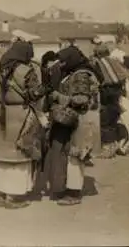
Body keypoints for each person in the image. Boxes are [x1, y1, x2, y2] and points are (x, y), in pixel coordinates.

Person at [0, 41, 48, 209]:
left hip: (0, 114)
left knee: (3, 156)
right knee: (18, 156)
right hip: (20, 115)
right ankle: (14, 197)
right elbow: (35, 95)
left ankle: (2, 191)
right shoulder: (27, 71)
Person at [45, 46, 101, 206]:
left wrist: (59, 97)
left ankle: (74, 193)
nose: (60, 64)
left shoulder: (81, 74)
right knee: (73, 155)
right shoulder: (77, 71)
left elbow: (81, 99)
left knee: (75, 156)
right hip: (80, 119)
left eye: (63, 61)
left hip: (82, 120)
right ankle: (70, 189)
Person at [90, 43, 127, 158]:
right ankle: (116, 146)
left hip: (106, 97)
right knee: (113, 121)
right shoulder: (115, 62)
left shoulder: (97, 64)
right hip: (116, 96)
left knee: (105, 123)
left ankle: (108, 150)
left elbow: (95, 81)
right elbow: (123, 78)